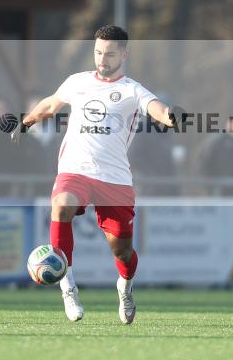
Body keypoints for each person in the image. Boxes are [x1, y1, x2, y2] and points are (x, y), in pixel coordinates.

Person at [14, 25, 183, 324]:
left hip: (114, 178)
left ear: (124, 54)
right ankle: (67, 286)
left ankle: (125, 286)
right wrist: (25, 122)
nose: (102, 59)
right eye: (98, 52)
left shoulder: (132, 89)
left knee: (122, 251)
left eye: (109, 53)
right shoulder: (77, 82)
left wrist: (170, 117)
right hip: (75, 170)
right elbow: (51, 105)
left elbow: (155, 107)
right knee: (61, 205)